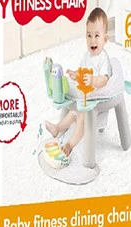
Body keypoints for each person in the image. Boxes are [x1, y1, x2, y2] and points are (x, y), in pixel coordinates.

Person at [45, 8, 113, 156]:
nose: (92, 40)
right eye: (89, 35)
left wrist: (93, 80)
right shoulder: (87, 56)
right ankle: (57, 128)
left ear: (105, 39)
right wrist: (75, 74)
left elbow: (104, 80)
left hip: (96, 104)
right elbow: (82, 72)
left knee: (81, 115)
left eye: (97, 35)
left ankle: (69, 145)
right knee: (72, 113)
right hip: (85, 100)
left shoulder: (103, 59)